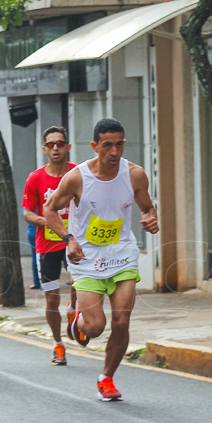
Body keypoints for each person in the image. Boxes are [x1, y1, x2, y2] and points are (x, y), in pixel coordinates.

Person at [44, 118, 159, 402]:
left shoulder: (135, 175)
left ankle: (107, 377)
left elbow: (147, 207)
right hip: (87, 257)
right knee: (95, 328)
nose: (115, 152)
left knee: (121, 322)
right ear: (95, 146)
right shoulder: (77, 178)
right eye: (107, 145)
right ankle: (77, 319)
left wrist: (150, 218)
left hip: (121, 254)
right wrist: (69, 238)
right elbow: (49, 210)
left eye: (119, 144)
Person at [22, 125, 77, 365]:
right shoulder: (36, 177)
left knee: (79, 284)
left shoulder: (78, 174)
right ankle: (58, 344)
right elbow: (27, 213)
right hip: (47, 246)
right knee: (51, 299)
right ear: (45, 149)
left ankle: (74, 307)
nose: (56, 148)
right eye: (51, 145)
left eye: (60, 143)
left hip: (74, 242)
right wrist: (48, 222)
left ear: (68, 147)